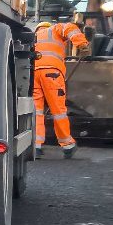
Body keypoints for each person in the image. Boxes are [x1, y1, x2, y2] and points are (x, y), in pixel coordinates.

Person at [32, 17, 88, 157]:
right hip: (52, 74)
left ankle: (36, 145)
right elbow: (69, 27)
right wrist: (82, 44)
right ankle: (67, 145)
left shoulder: (33, 37)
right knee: (58, 111)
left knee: (37, 111)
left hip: (33, 74)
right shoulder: (54, 29)